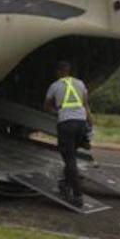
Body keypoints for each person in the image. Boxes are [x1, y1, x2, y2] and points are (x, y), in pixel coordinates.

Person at [43, 60, 92, 207]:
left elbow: (46, 107)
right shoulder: (80, 84)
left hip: (66, 125)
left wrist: (58, 111)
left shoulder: (55, 86)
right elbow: (86, 105)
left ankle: (77, 195)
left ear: (58, 72)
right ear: (69, 71)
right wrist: (90, 127)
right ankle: (66, 182)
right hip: (81, 124)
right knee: (72, 156)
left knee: (69, 160)